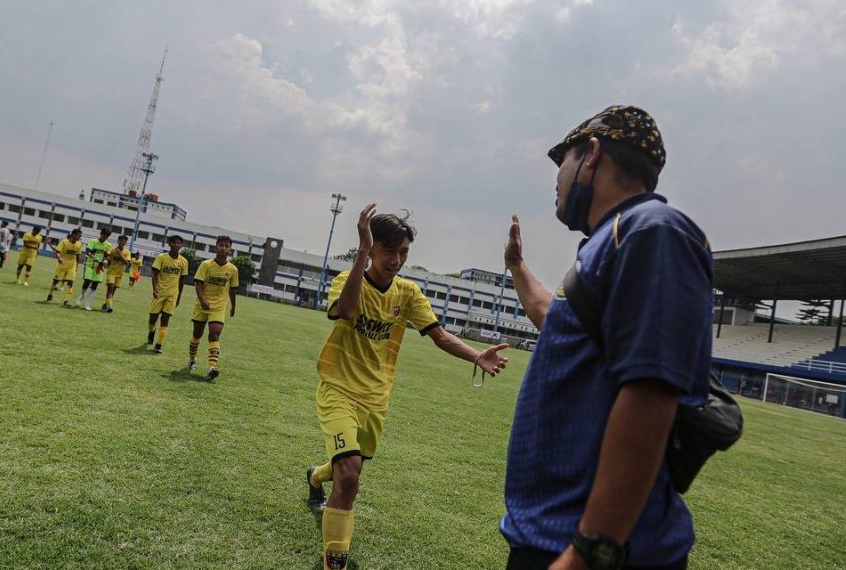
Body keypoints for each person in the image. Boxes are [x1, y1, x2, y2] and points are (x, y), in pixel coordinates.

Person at [500, 106, 713, 570]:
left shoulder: (653, 232)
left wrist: (592, 549)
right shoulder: (614, 238)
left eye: (562, 164)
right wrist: (517, 268)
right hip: (552, 536)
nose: (556, 182)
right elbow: (557, 322)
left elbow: (650, 392)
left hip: (595, 551)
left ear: (591, 154)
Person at [305, 204, 509, 570]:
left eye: (404, 252)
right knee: (349, 476)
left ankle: (315, 476)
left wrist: (476, 356)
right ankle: (334, 561)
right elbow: (347, 311)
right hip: (338, 389)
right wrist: (362, 255)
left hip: (375, 399)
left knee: (344, 471)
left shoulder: (409, 294)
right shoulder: (346, 279)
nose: (398, 260)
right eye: (389, 250)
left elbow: (439, 335)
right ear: (370, 248)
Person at [187, 235, 239, 380]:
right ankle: (192, 359)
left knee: (214, 334)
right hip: (202, 304)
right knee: (197, 335)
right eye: (221, 245)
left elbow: (233, 290)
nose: (223, 248)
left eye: (226, 246)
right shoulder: (206, 265)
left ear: (230, 250)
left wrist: (233, 307)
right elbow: (198, 284)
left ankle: (212, 367)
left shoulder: (233, 269)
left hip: (218, 307)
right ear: (216, 247)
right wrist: (202, 299)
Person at [147, 235, 189, 354]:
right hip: (159, 292)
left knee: (165, 319)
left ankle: (159, 344)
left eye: (179, 243)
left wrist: (179, 296)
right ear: (169, 244)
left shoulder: (184, 262)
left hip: (172, 294)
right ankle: (151, 331)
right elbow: (155, 274)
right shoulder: (161, 257)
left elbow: (182, 280)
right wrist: (154, 289)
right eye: (174, 242)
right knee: (153, 318)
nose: (176, 245)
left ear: (181, 246)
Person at [75, 228, 113, 311]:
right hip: (90, 265)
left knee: (95, 285)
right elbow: (87, 252)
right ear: (101, 234)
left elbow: (108, 255)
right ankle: (82, 296)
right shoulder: (93, 241)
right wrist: (94, 257)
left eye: (107, 236)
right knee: (87, 281)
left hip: (99, 267)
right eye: (104, 235)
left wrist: (106, 260)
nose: (105, 238)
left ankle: (88, 304)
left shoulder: (108, 245)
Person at [46, 228, 83, 305]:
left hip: (72, 265)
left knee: (70, 282)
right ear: (73, 235)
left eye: (80, 236)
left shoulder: (79, 244)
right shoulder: (64, 242)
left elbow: (78, 256)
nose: (79, 238)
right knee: (56, 281)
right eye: (78, 236)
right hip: (62, 264)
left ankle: (66, 300)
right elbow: (57, 251)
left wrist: (77, 266)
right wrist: (59, 258)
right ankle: (50, 294)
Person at [102, 234, 131, 313]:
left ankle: (106, 304)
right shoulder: (112, 250)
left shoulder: (127, 252)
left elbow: (126, 262)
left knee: (113, 291)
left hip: (119, 274)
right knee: (110, 289)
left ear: (126, 242)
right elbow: (108, 258)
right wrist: (106, 260)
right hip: (111, 272)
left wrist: (120, 254)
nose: (122, 242)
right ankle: (109, 307)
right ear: (118, 241)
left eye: (124, 241)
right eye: (121, 240)